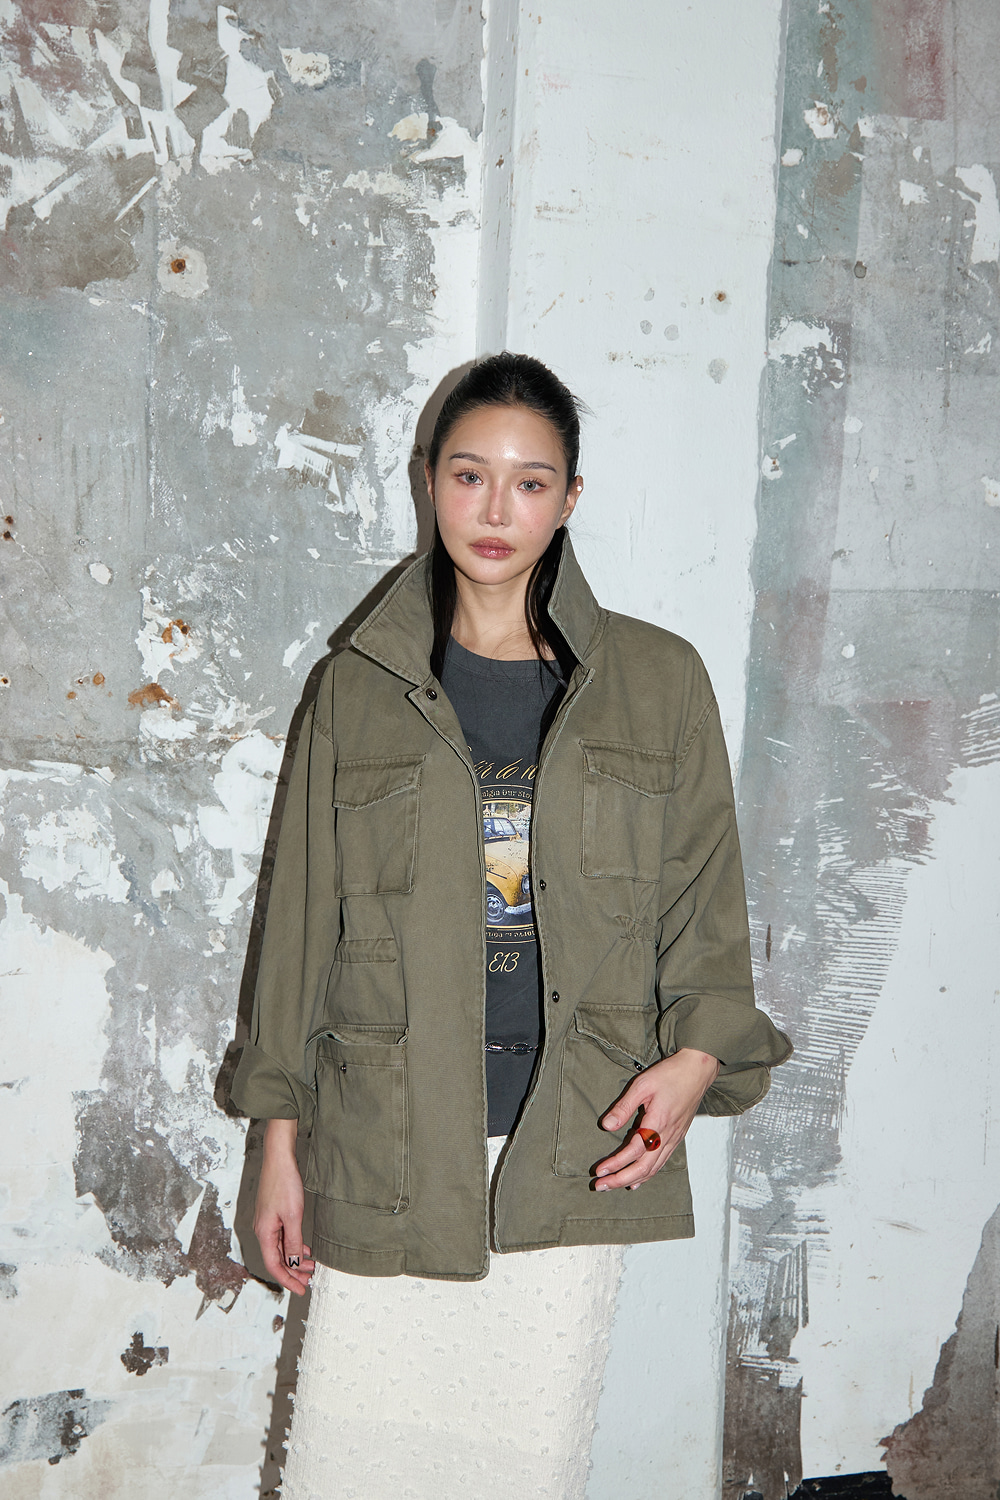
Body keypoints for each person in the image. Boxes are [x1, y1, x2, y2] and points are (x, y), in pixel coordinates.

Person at [230, 353, 791, 1498]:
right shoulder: (356, 688)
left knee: (522, 1467)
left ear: (570, 498)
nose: (496, 510)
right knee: (352, 1467)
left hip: (568, 1141)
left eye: (530, 483)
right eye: (469, 475)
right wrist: (276, 1144)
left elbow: (703, 895)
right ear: (428, 481)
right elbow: (298, 933)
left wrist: (695, 1059)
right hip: (386, 1139)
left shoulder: (657, 681)